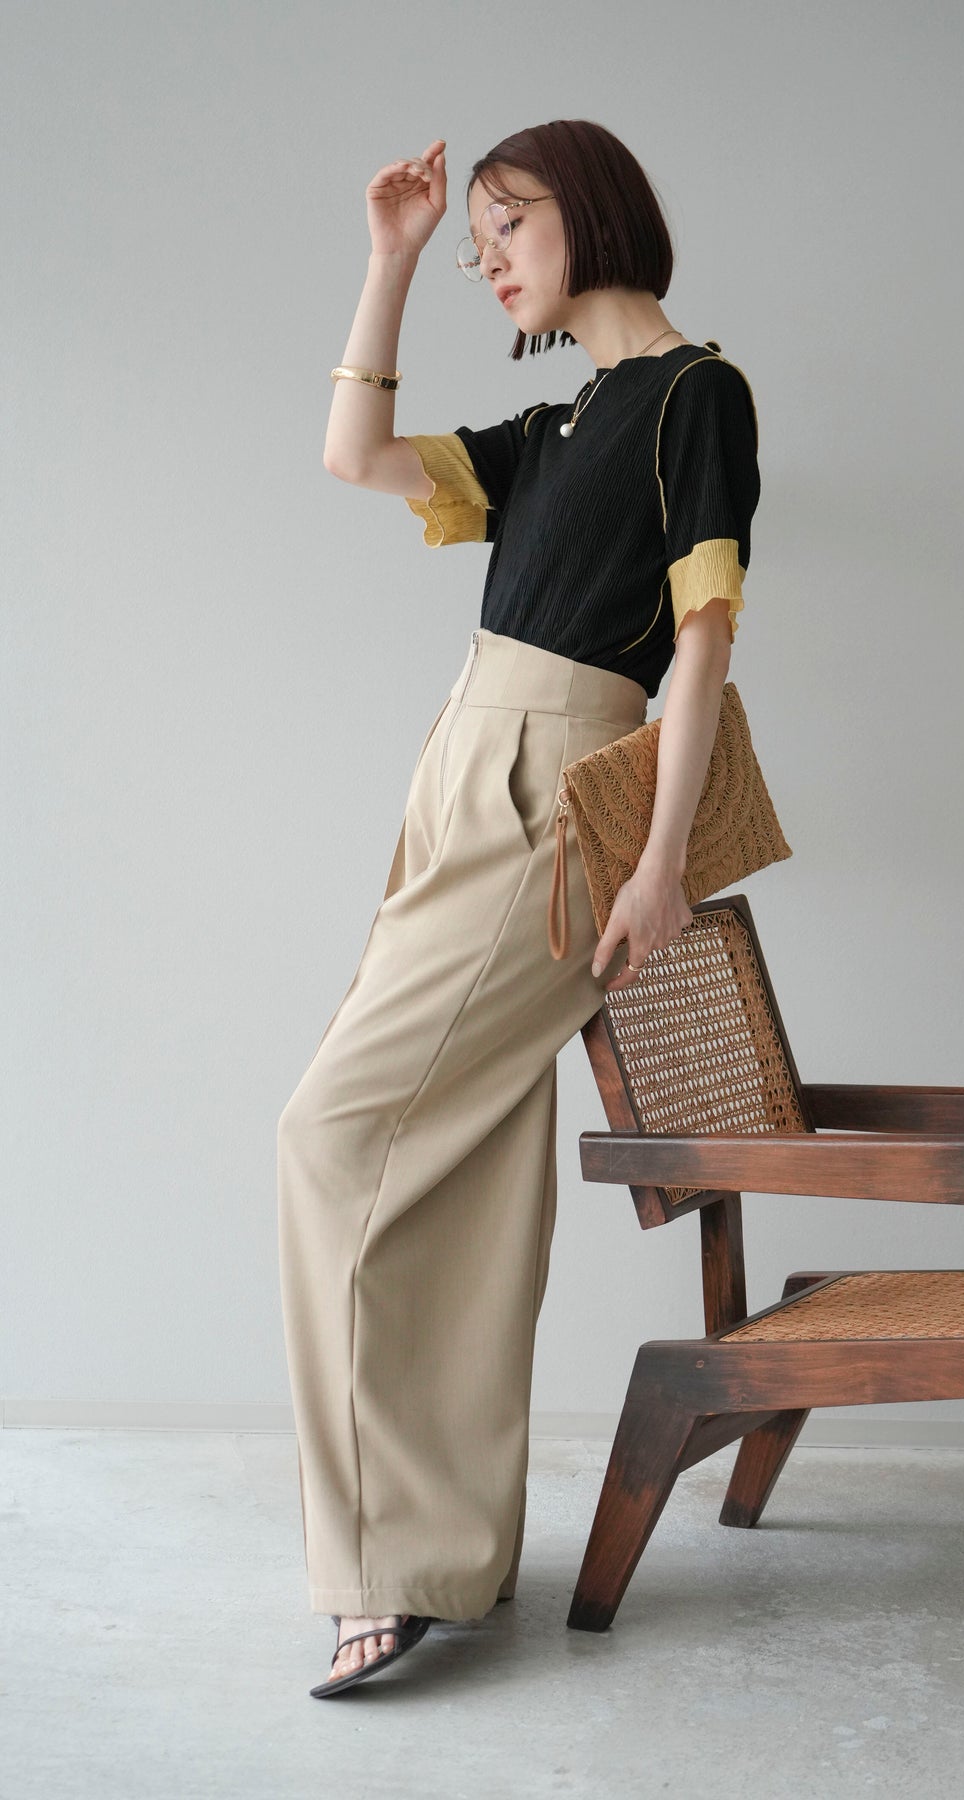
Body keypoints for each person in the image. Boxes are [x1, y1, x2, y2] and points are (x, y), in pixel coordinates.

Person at [277, 118, 760, 1698]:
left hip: (552, 782)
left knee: (333, 1130)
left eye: (509, 224)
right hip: (463, 763)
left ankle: (380, 1566)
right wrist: (391, 260)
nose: (489, 257)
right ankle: (439, 1557)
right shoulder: (558, 422)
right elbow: (353, 459)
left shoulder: (694, 394)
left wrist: (661, 861)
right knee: (466, 1166)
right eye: (476, 237)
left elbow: (701, 645)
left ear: (593, 214)